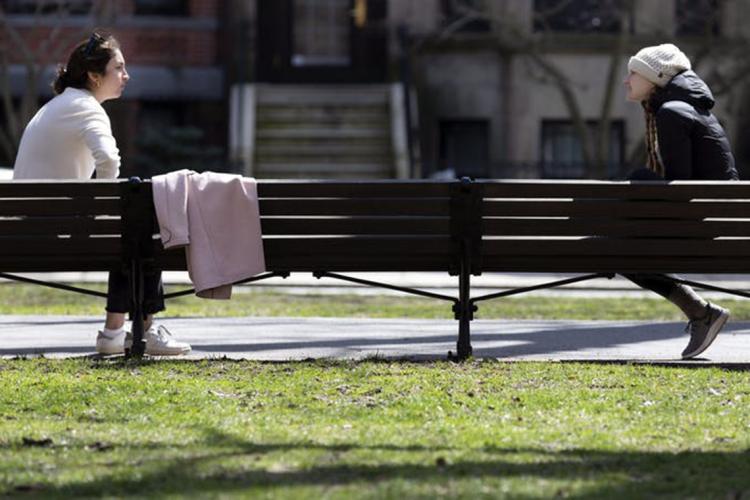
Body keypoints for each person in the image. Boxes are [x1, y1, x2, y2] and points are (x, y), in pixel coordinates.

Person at [13, 31, 190, 356]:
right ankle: (144, 330)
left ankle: (113, 333)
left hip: (27, 231)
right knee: (145, 228)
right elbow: (108, 159)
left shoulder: (59, 104)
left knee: (134, 229)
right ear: (94, 76)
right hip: (55, 234)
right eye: (119, 68)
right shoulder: (86, 108)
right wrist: (105, 207)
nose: (127, 75)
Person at [623, 43, 738, 359]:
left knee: (613, 243)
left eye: (633, 72)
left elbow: (679, 193)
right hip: (717, 226)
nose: (626, 80)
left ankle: (701, 312)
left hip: (703, 231)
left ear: (654, 77)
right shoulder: (685, 108)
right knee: (614, 246)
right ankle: (701, 313)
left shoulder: (672, 112)